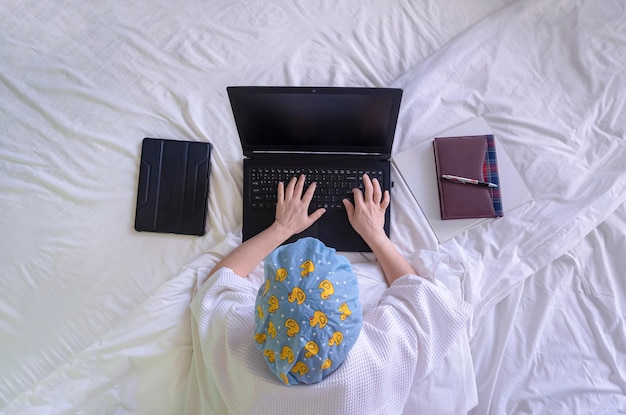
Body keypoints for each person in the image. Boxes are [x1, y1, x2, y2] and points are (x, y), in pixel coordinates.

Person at [186, 174, 472, 415]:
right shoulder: (379, 361)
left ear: (263, 312)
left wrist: (282, 228)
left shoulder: (240, 358)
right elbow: (417, 294)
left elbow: (219, 282)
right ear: (352, 316)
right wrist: (375, 234)